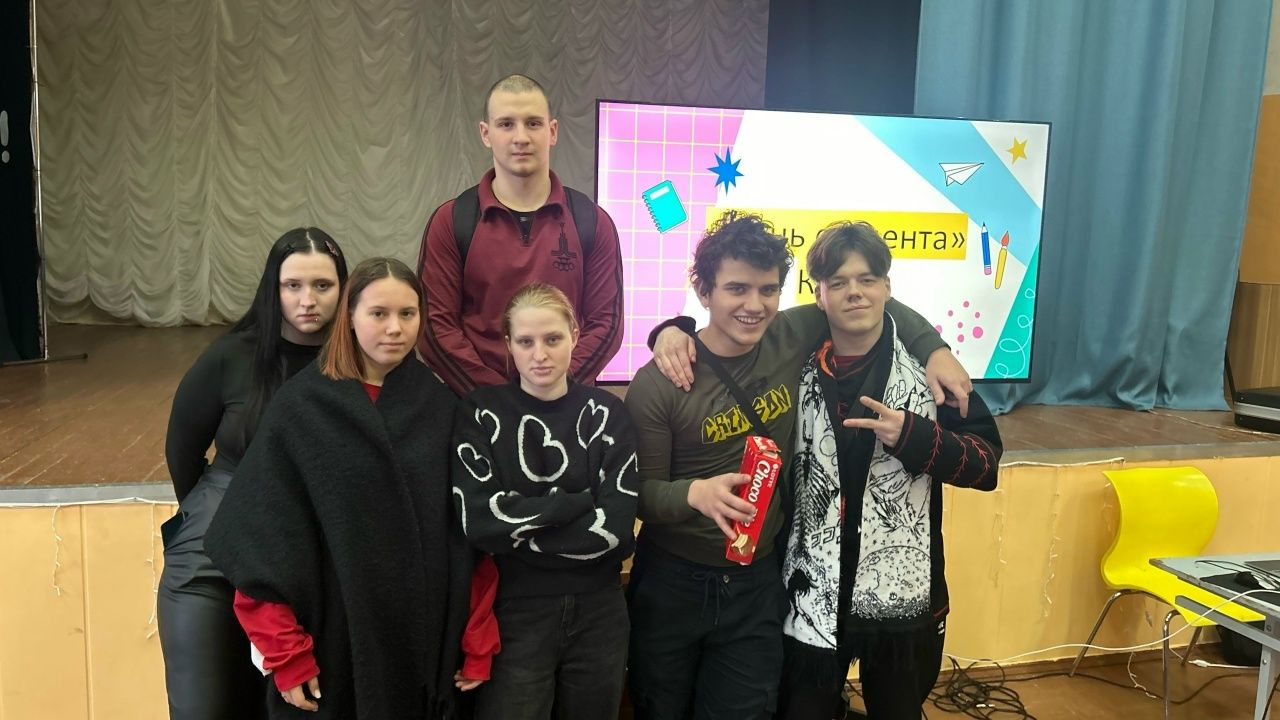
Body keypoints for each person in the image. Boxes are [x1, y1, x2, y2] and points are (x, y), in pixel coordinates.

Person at [625, 213, 968, 719]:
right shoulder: (662, 380)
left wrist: (934, 348)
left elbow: (868, 299)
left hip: (757, 582)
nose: (754, 305)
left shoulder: (789, 333)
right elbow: (638, 494)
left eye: (768, 290)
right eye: (737, 289)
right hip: (675, 582)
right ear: (703, 291)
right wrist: (693, 494)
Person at [204, 258, 480, 719]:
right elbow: (258, 542)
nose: (395, 328)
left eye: (408, 314)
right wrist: (285, 652)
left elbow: (465, 537)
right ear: (349, 316)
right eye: (378, 314)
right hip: (329, 654)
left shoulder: (440, 407)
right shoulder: (301, 407)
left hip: (421, 657)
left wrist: (475, 638)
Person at [777, 222, 1001, 719]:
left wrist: (915, 438)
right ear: (819, 295)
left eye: (867, 279)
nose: (854, 292)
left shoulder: (930, 376)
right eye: (838, 282)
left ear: (887, 287)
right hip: (811, 598)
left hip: (902, 607)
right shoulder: (792, 370)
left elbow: (986, 465)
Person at [159, 227, 347, 720]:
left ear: (343, 289)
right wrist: (219, 515)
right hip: (211, 560)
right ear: (273, 288)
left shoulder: (357, 362)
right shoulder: (231, 356)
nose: (308, 300)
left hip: (305, 567)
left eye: (323, 286)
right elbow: (182, 449)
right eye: (293, 285)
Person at [451, 282, 639, 720]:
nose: (540, 355)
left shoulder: (608, 413)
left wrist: (519, 524)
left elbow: (614, 529)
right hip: (515, 610)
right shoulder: (480, 412)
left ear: (574, 335)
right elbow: (479, 522)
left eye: (553, 339)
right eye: (526, 341)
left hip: (600, 610)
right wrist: (574, 504)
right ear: (508, 344)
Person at [417, 73, 624, 395]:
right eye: (506, 124)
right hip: (477, 406)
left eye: (533, 123)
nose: (521, 137)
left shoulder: (593, 221)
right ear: (485, 134)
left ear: (552, 132)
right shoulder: (451, 220)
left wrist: (552, 389)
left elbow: (606, 325)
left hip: (565, 406)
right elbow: (435, 328)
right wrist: (498, 399)